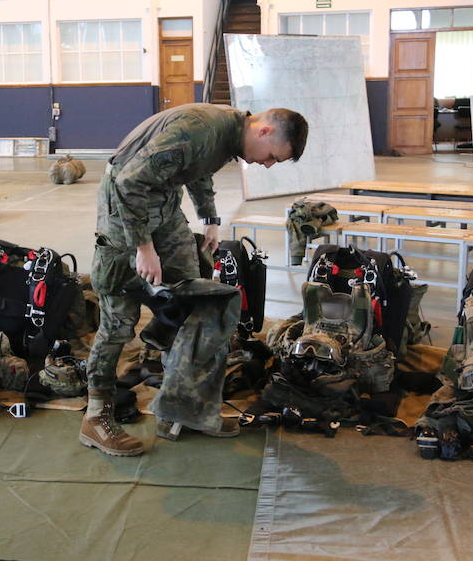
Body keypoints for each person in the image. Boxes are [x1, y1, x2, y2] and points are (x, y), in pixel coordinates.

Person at [79, 103, 309, 456]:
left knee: (194, 301)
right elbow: (129, 183)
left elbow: (197, 168)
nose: (266, 164)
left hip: (164, 204)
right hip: (124, 211)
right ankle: (96, 418)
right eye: (272, 157)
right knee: (118, 320)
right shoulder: (199, 127)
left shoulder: (226, 133)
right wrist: (143, 246)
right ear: (263, 131)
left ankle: (185, 409)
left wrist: (209, 218)